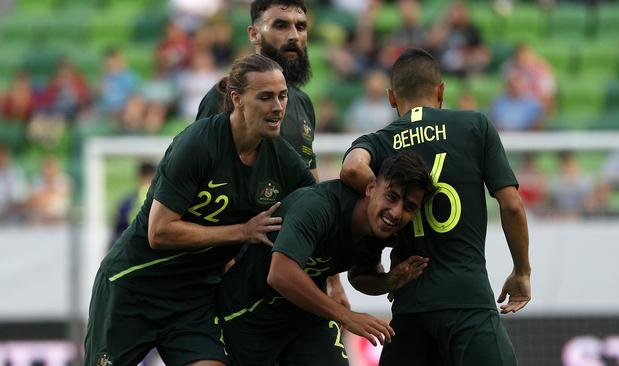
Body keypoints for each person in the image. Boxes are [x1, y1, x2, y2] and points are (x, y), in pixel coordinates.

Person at [84, 53, 316, 366]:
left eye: (282, 96)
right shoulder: (198, 143)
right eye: (265, 97)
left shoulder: (283, 160)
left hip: (193, 301)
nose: (277, 107)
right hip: (135, 289)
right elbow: (160, 231)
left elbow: (320, 208)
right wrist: (242, 232)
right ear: (237, 99)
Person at [341, 48, 531, 366]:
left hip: (411, 308)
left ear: (391, 97)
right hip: (467, 301)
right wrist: (521, 272)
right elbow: (511, 206)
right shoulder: (475, 126)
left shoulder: (379, 141)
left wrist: (382, 193)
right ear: (441, 91)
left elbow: (350, 169)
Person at [194, 0, 350, 308]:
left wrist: (332, 277)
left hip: (294, 265)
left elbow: (311, 191)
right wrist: (222, 255)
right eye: (280, 25)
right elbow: (199, 182)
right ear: (254, 34)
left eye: (300, 27)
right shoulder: (224, 96)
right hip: (235, 271)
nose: (293, 35)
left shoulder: (303, 103)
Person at [216, 152, 436, 366]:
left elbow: (359, 276)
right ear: (370, 188)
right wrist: (347, 316)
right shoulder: (319, 206)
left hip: (305, 316)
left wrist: (388, 281)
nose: (396, 213)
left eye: (409, 207)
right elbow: (280, 274)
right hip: (248, 311)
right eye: (392, 197)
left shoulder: (380, 230)